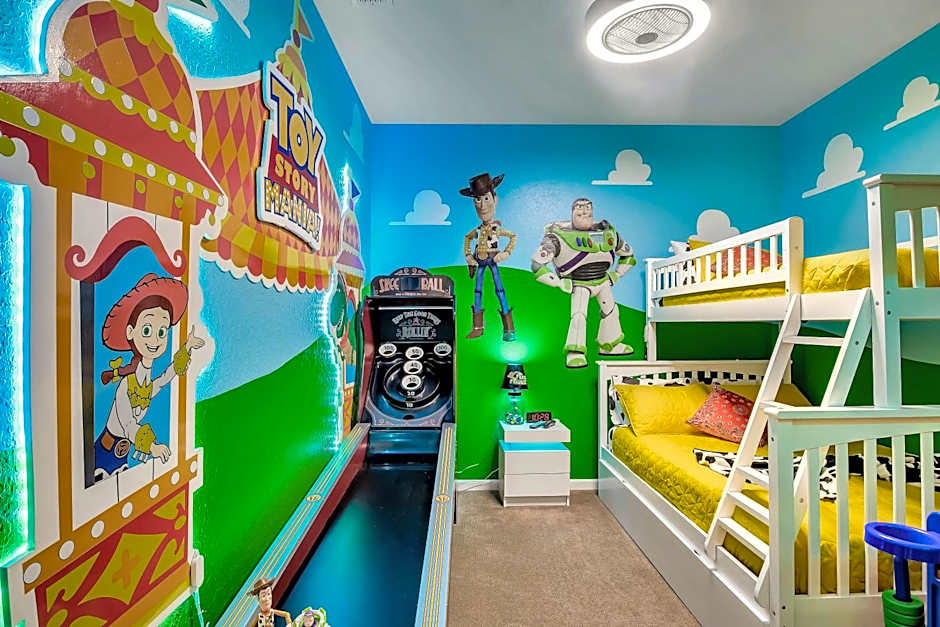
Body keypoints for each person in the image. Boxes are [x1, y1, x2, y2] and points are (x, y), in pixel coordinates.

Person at [94, 273, 205, 480]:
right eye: (147, 330)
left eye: (162, 332)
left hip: (122, 454)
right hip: (103, 455)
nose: (155, 340)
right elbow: (128, 425)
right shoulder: (126, 386)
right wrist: (153, 447)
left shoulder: (145, 384)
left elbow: (164, 379)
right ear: (130, 331)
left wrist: (187, 348)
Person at [531, 198, 636, 368]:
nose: (584, 211)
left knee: (611, 311)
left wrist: (617, 274)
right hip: (579, 283)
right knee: (579, 316)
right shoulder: (557, 237)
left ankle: (610, 345)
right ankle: (575, 352)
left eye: (588, 208)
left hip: (603, 281)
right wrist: (558, 283)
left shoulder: (609, 233)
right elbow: (537, 265)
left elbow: (628, 255)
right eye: (580, 208)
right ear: (572, 211)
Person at [461, 172, 517, 341]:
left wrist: (506, 252)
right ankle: (477, 327)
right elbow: (467, 238)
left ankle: (509, 330)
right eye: (477, 200)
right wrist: (468, 255)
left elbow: (513, 236)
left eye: (486, 198)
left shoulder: (496, 229)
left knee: (499, 290)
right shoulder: (478, 230)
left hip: (492, 260)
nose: (482, 205)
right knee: (477, 291)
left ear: (494, 199)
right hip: (479, 261)